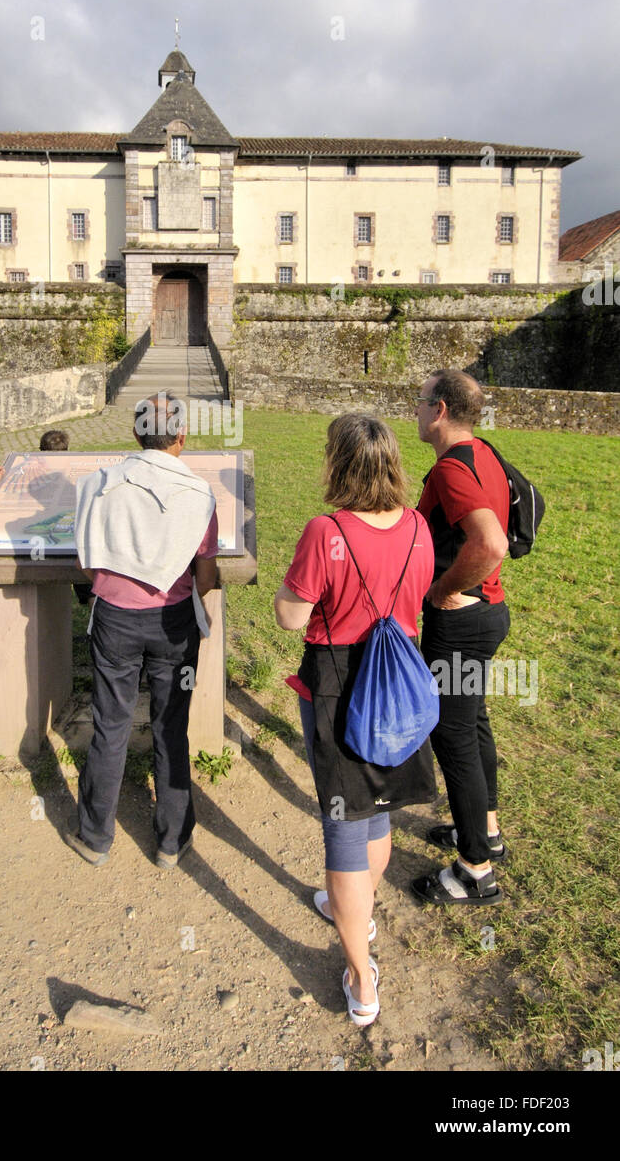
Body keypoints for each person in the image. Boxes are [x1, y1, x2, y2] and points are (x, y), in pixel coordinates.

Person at [274, 413, 435, 1025]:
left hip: (340, 686)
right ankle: (358, 912)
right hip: (400, 681)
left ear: (337, 463)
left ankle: (362, 977)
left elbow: (293, 616)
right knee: (379, 811)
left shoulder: (326, 531)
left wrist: (286, 597)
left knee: (343, 826)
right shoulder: (419, 526)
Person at [68, 392, 219, 868]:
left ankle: (95, 836)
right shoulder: (198, 493)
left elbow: (85, 559)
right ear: (181, 436)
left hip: (113, 616)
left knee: (109, 724)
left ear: (135, 433)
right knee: (171, 725)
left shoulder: (99, 483)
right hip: (171, 622)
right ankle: (171, 841)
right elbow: (207, 577)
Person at [410, 369, 511, 905]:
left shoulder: (452, 468)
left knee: (453, 739)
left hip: (462, 621)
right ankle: (486, 832)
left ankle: (474, 870)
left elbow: (490, 543)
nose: (417, 410)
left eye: (422, 401)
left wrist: (443, 590)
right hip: (489, 613)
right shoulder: (484, 452)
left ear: (442, 409)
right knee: (472, 725)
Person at [38, 427, 92, 604]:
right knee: (88, 587)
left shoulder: (38, 477)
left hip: (47, 539)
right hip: (76, 538)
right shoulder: (79, 473)